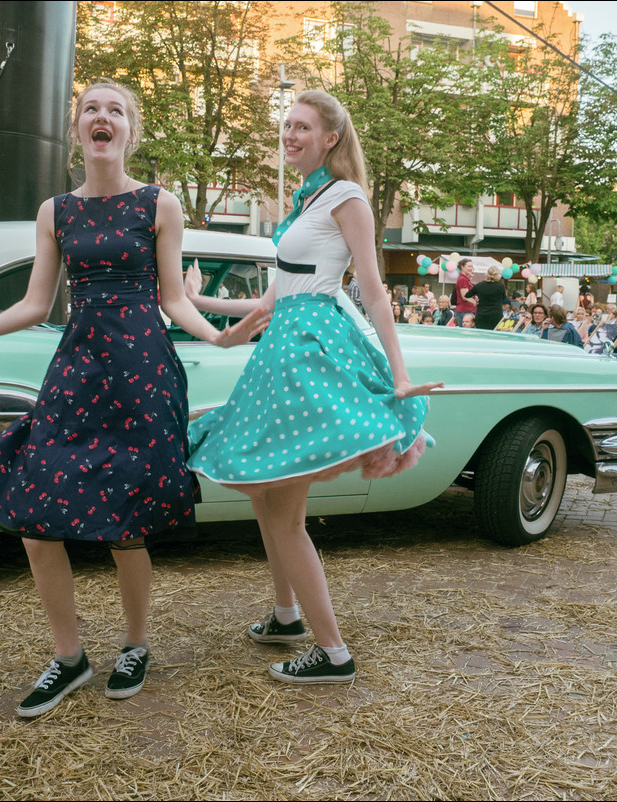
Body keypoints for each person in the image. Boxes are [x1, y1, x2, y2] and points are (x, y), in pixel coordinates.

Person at [0, 80, 268, 718]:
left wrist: (219, 338)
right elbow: (35, 304)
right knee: (38, 517)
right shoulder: (56, 211)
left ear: (129, 131)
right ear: (78, 131)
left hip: (143, 369)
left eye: (115, 110)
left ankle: (135, 645)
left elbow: (175, 299)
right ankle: (68, 658)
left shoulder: (159, 204)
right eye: (91, 108)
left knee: (127, 525)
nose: (102, 117)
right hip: (78, 369)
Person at [183, 89, 441, 685]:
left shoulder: (347, 197)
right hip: (283, 352)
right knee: (263, 496)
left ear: (331, 138)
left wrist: (399, 373)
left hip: (310, 354)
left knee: (282, 510)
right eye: (286, 126)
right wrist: (199, 301)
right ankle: (285, 616)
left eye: (302, 127)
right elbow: (272, 301)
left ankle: (333, 653)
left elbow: (373, 290)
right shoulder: (305, 203)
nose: (290, 135)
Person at [465, 266, 508, 330]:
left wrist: (475, 301)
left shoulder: (479, 285)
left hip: (482, 315)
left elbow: (467, 295)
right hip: (496, 315)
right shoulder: (501, 286)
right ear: (498, 275)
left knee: (481, 335)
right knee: (495, 335)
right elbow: (504, 299)